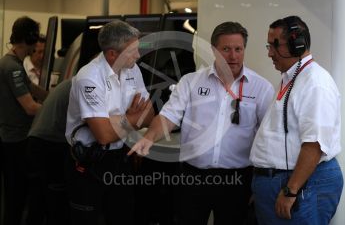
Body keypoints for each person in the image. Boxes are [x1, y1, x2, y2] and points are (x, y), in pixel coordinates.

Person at [129, 21, 275, 225]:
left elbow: (267, 137)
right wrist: (149, 138)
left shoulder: (261, 88)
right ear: (214, 50)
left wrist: (260, 183)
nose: (233, 56)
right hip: (193, 179)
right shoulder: (191, 82)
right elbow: (169, 116)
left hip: (238, 181)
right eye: (226, 49)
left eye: (238, 49)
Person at [250, 15, 343, 224]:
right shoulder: (292, 78)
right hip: (284, 182)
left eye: (274, 45)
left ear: (297, 44)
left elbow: (314, 144)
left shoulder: (315, 83)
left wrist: (291, 191)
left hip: (301, 184)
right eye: (268, 45)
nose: (269, 53)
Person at [65, 20, 154, 225]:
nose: (138, 56)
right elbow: (103, 134)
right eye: (132, 51)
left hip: (119, 157)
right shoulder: (89, 77)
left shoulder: (133, 70)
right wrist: (132, 118)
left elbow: (149, 115)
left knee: (123, 216)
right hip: (88, 161)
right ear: (113, 54)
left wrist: (115, 121)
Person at [0, 16, 48, 225]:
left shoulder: (13, 63)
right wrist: (53, 112)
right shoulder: (13, 67)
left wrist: (56, 97)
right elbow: (30, 107)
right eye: (35, 38)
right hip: (17, 141)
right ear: (28, 38)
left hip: (13, 139)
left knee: (18, 195)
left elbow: (33, 89)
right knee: (18, 197)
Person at [25, 79, 72, 225]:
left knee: (38, 199)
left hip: (38, 141)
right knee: (56, 202)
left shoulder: (72, 83)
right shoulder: (86, 86)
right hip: (50, 145)